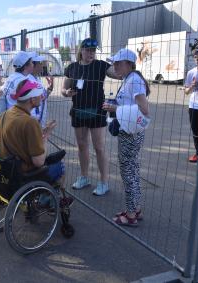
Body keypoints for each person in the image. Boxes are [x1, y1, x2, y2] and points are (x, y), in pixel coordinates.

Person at [0, 79, 62, 187]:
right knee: (60, 166)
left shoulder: (6, 114)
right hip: (23, 174)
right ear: (32, 99)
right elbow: (39, 162)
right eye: (40, 95)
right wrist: (45, 137)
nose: (42, 97)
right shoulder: (31, 122)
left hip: (5, 170)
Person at [62, 38, 118, 196]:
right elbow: (64, 89)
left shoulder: (101, 65)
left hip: (97, 111)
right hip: (79, 111)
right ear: (81, 51)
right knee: (82, 145)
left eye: (93, 50)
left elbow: (118, 74)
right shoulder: (72, 67)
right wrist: (67, 93)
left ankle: (104, 182)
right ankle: (84, 177)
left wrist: (120, 64)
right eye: (88, 50)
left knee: (99, 147)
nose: (91, 53)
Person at [103, 48, 150, 226]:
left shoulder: (134, 81)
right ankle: (135, 208)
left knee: (128, 172)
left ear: (129, 64)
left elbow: (145, 110)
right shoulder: (129, 79)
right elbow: (130, 103)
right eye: (114, 63)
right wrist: (114, 105)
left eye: (118, 63)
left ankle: (131, 214)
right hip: (128, 129)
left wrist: (115, 109)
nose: (114, 66)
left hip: (131, 132)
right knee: (132, 170)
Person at [28, 52, 54, 128]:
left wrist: (50, 87)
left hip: (38, 121)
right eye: (40, 63)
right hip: (32, 122)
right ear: (32, 65)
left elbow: (43, 97)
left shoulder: (37, 79)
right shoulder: (27, 81)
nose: (42, 65)